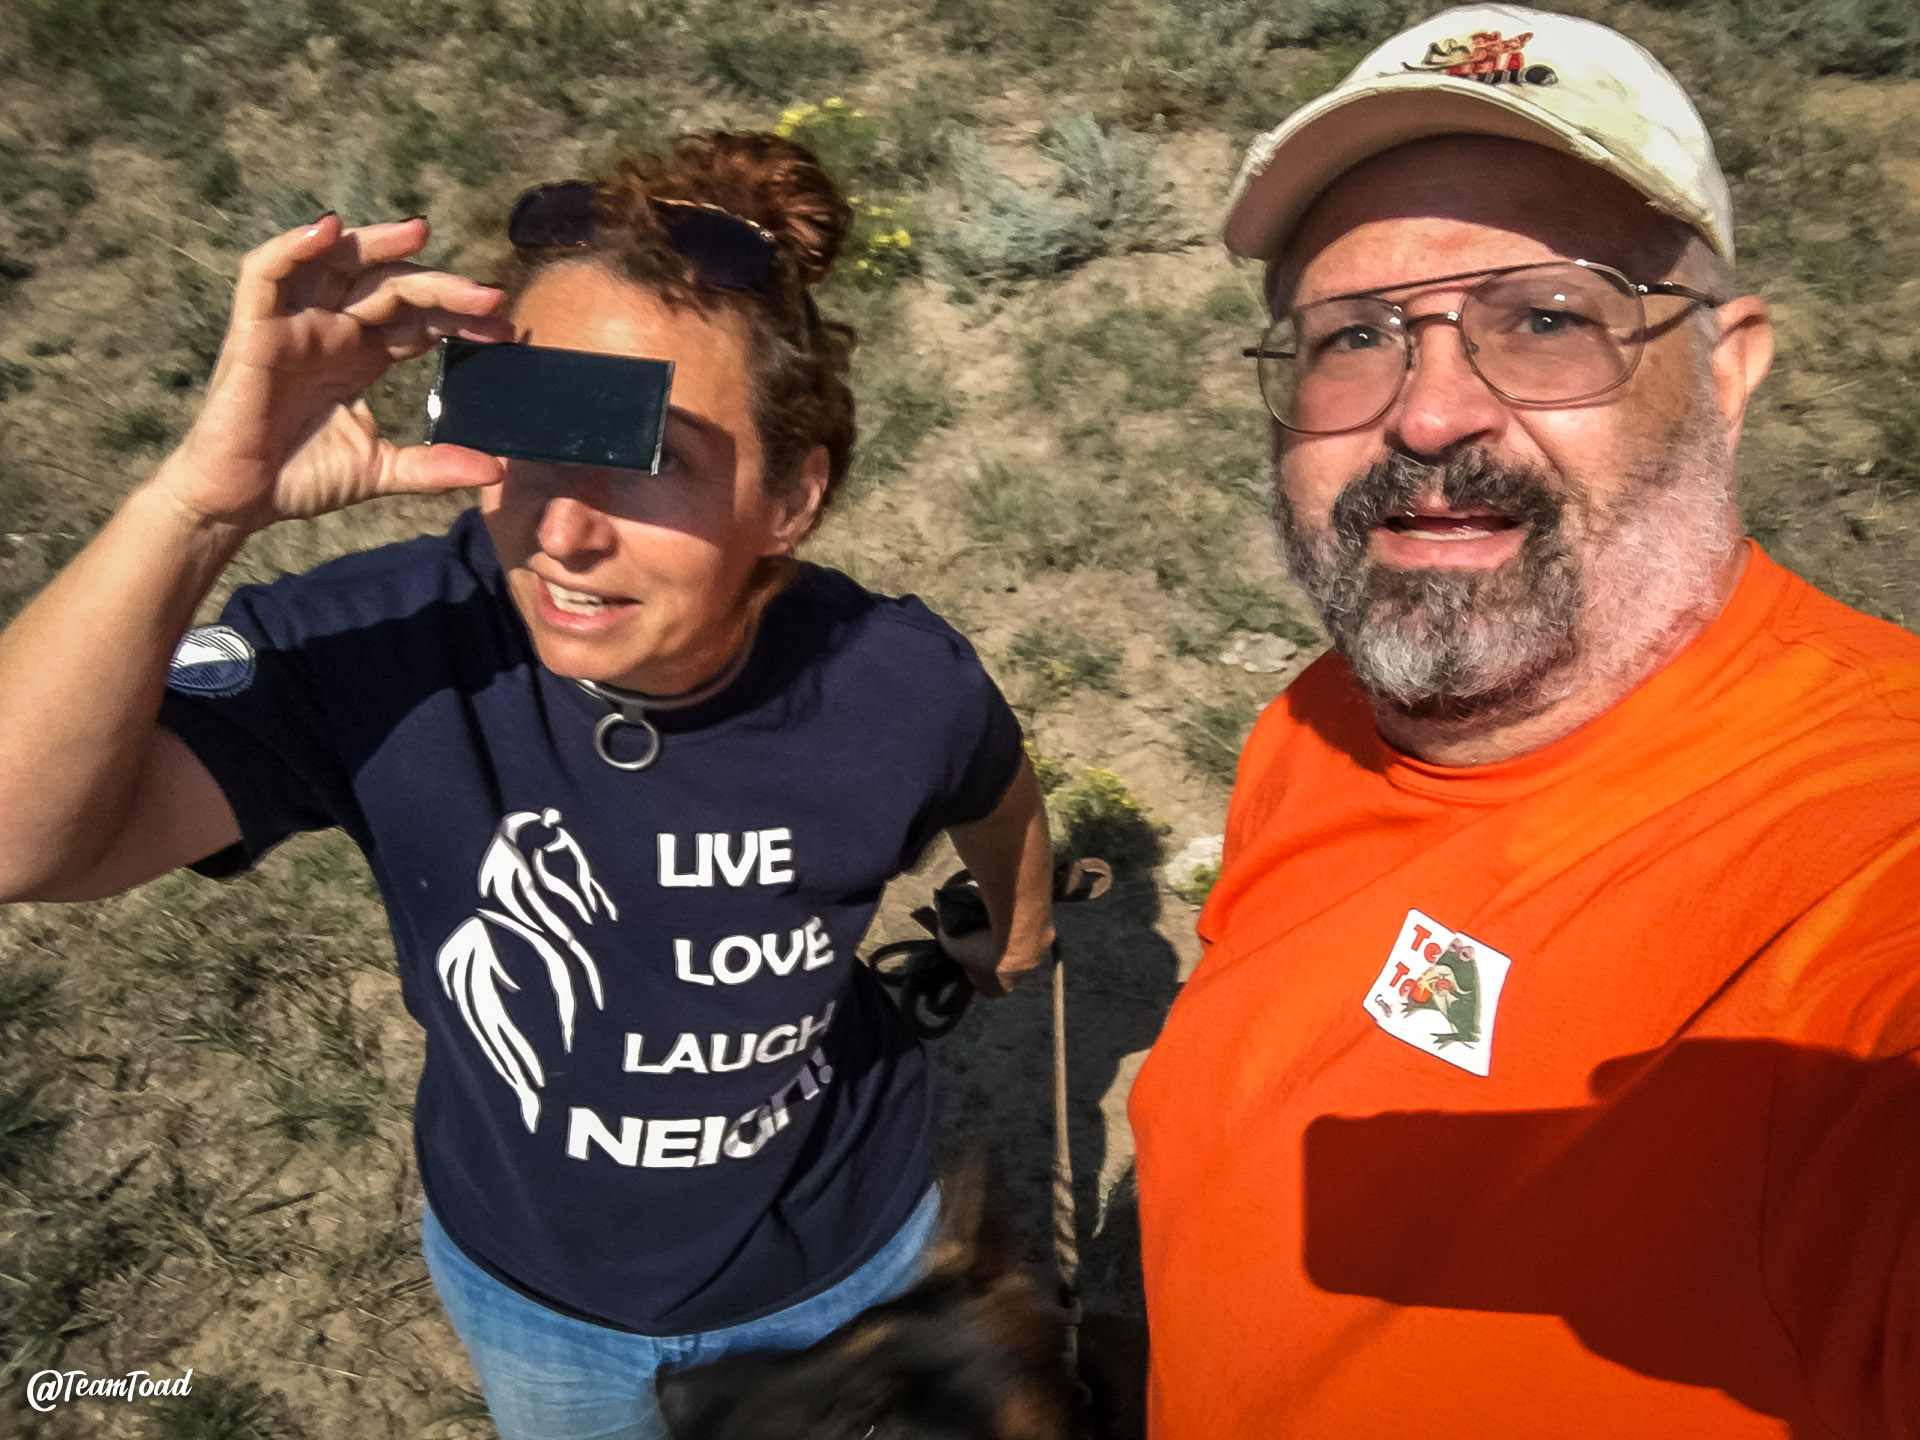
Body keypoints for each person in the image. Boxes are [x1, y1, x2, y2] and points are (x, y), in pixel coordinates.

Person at [0, 132, 1057, 1440]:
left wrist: (1018, 932)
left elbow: (993, 785)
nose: (562, 532)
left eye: (651, 458)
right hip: (546, 1303)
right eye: (538, 433)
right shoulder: (384, 649)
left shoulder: (888, 677)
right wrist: (196, 509)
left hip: (847, 1259)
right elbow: (22, 842)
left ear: (791, 496)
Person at [1127, 6, 1920, 1437]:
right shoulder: (1316, 720)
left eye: (1545, 319)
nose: (1430, 416)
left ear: (1727, 370)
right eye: (1353, 336)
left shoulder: (1864, 846)